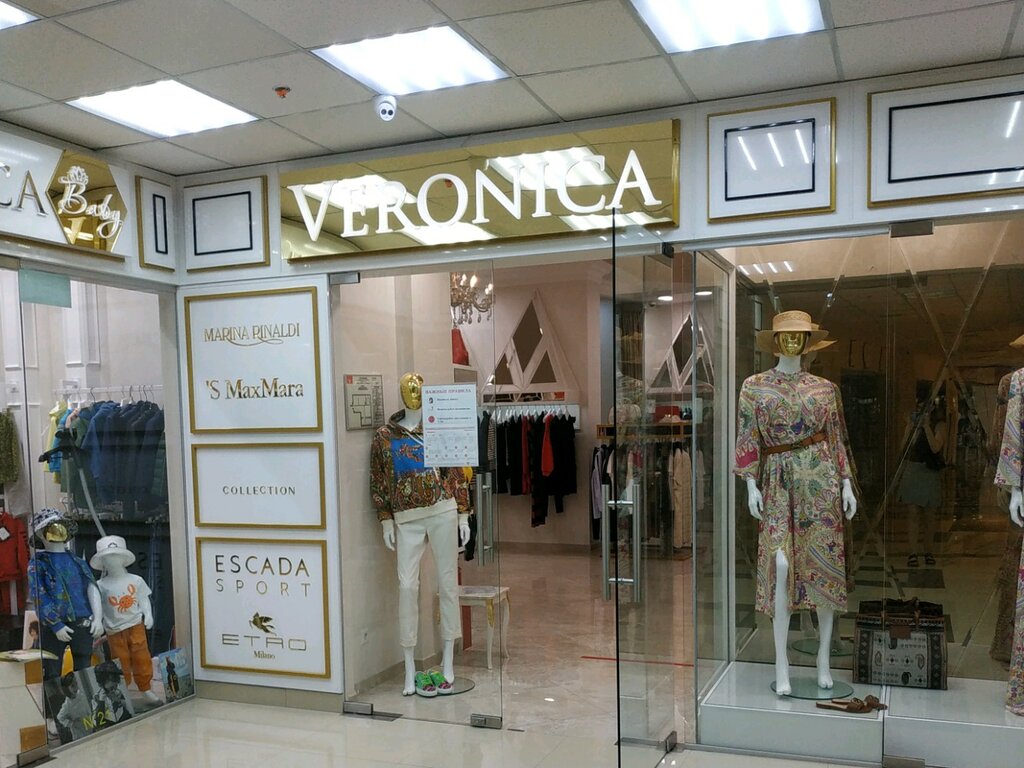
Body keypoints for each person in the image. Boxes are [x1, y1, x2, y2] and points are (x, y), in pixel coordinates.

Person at [735, 311, 857, 696]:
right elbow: (747, 438)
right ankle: (781, 661)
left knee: (823, 567)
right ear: (775, 341)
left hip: (820, 479)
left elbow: (837, 438)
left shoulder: (825, 389)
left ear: (808, 343)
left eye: (799, 335)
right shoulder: (754, 387)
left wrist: (846, 483)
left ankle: (823, 659)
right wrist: (750, 484)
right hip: (776, 480)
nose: (792, 341)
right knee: (781, 565)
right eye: (785, 335)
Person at [898, 382, 947, 568]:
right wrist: (910, 427)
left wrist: (926, 426)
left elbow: (935, 447)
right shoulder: (913, 425)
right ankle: (913, 553)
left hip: (929, 472)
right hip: (913, 470)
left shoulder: (939, 425)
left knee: (929, 515)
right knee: (912, 513)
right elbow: (903, 448)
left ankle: (928, 551)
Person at [55, 672, 94, 741]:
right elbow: (60, 717)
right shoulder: (67, 704)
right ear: (66, 688)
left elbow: (87, 708)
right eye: (72, 686)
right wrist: (72, 723)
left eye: (76, 683)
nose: (76, 687)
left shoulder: (81, 695)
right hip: (79, 733)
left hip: (88, 725)